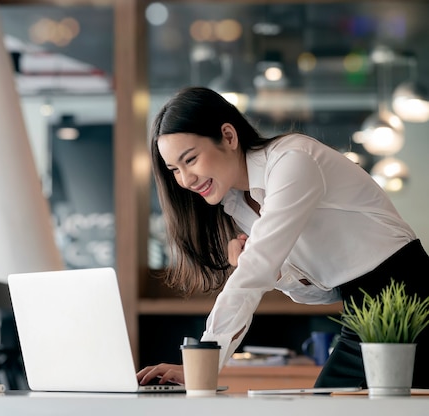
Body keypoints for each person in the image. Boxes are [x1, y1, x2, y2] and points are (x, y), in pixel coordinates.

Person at [136, 86, 429, 389]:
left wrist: (204, 362)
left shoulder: (292, 161)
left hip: (408, 295)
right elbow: (325, 292)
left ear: (228, 136)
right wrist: (274, 274)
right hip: (361, 306)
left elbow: (251, 277)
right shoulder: (238, 205)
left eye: (191, 159)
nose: (186, 179)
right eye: (175, 169)